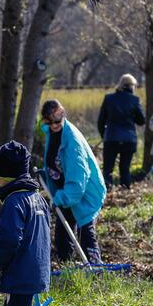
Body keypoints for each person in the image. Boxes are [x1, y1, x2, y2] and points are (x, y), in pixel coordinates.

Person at [0, 141, 66, 306]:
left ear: (4, 175)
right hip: (34, 270)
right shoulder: (37, 198)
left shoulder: (14, 202)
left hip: (19, 273)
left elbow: (10, 239)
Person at [41, 99, 106, 264]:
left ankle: (95, 267)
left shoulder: (72, 142)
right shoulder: (52, 134)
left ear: (63, 115)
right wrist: (45, 173)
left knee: (85, 230)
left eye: (57, 120)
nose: (54, 125)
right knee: (63, 234)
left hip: (84, 191)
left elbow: (78, 178)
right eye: (50, 122)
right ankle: (66, 265)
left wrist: (62, 198)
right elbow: (55, 161)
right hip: (65, 191)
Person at [97, 74, 146, 189]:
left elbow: (101, 121)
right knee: (125, 168)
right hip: (128, 139)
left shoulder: (108, 99)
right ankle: (125, 190)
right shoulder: (134, 100)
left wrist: (104, 135)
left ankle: (106, 190)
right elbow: (141, 120)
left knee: (108, 168)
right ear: (131, 86)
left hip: (111, 138)